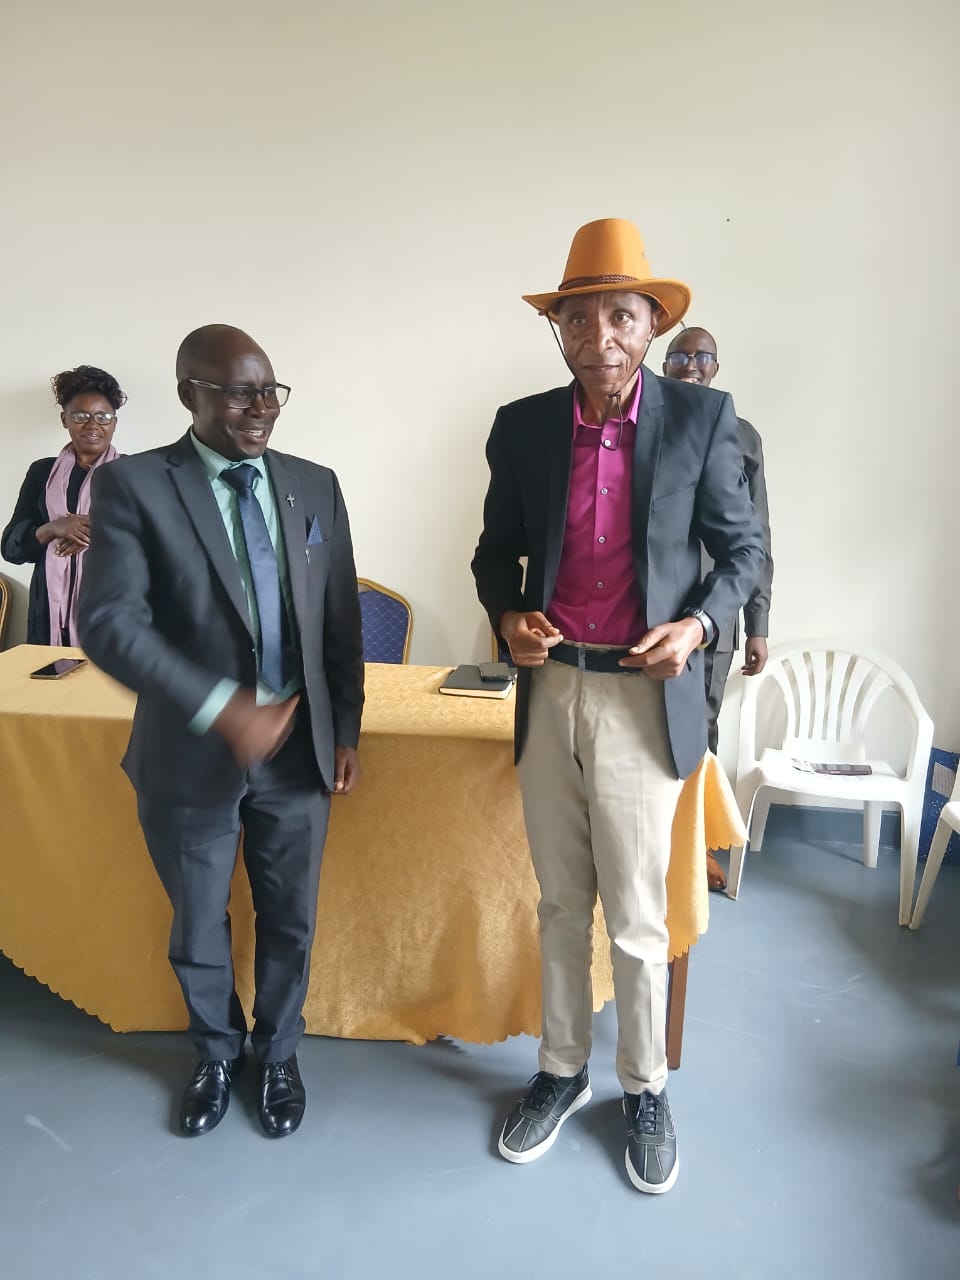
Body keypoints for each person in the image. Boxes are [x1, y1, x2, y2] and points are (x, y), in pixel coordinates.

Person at [472, 219, 763, 1194]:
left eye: (621, 316)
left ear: (652, 324)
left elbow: (743, 553)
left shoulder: (701, 421)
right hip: (551, 686)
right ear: (557, 329)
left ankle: (644, 1085)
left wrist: (702, 626)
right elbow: (494, 553)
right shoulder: (522, 426)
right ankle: (561, 1069)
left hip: (645, 694)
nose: (599, 335)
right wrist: (507, 613)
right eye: (578, 317)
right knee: (561, 900)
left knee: (637, 910)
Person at [78, 324, 364, 1139]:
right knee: (199, 923)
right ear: (189, 395)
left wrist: (345, 727)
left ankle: (277, 1055)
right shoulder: (134, 486)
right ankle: (214, 1051)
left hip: (299, 751)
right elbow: (110, 623)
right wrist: (221, 708)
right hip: (189, 751)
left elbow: (338, 620)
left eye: (270, 391)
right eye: (239, 393)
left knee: (291, 918)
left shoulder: (314, 485)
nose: (260, 408)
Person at [663, 326, 773, 891]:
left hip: (716, 609)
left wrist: (758, 623)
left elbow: (757, 534)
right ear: (663, 364)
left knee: (701, 728)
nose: (691, 364)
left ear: (716, 367)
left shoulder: (743, 436)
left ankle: (695, 847)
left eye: (702, 356)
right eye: (680, 355)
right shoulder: (643, 424)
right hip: (652, 605)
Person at [2, 366, 125, 644]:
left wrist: (99, 532)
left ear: (114, 423)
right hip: (48, 618)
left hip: (114, 617)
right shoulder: (42, 473)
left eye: (103, 416)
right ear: (64, 419)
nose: (92, 425)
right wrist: (54, 528)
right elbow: (10, 548)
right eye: (80, 416)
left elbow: (156, 546)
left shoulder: (134, 473)